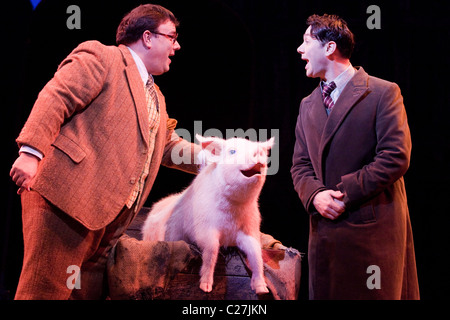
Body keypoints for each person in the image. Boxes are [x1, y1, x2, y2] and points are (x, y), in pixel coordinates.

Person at [9, 4, 200, 299]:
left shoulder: (155, 95)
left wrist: (217, 160)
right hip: (65, 201)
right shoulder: (104, 56)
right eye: (172, 37)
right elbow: (57, 96)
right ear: (148, 37)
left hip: (107, 221)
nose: (177, 45)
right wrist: (31, 152)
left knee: (79, 295)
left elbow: (166, 147)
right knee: (43, 292)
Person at [291, 14, 420, 299]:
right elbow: (299, 165)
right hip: (324, 233)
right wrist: (316, 196)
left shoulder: (382, 92)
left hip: (370, 235)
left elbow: (395, 156)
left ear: (329, 48)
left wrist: (341, 194)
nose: (300, 50)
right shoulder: (307, 104)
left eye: (306, 41)